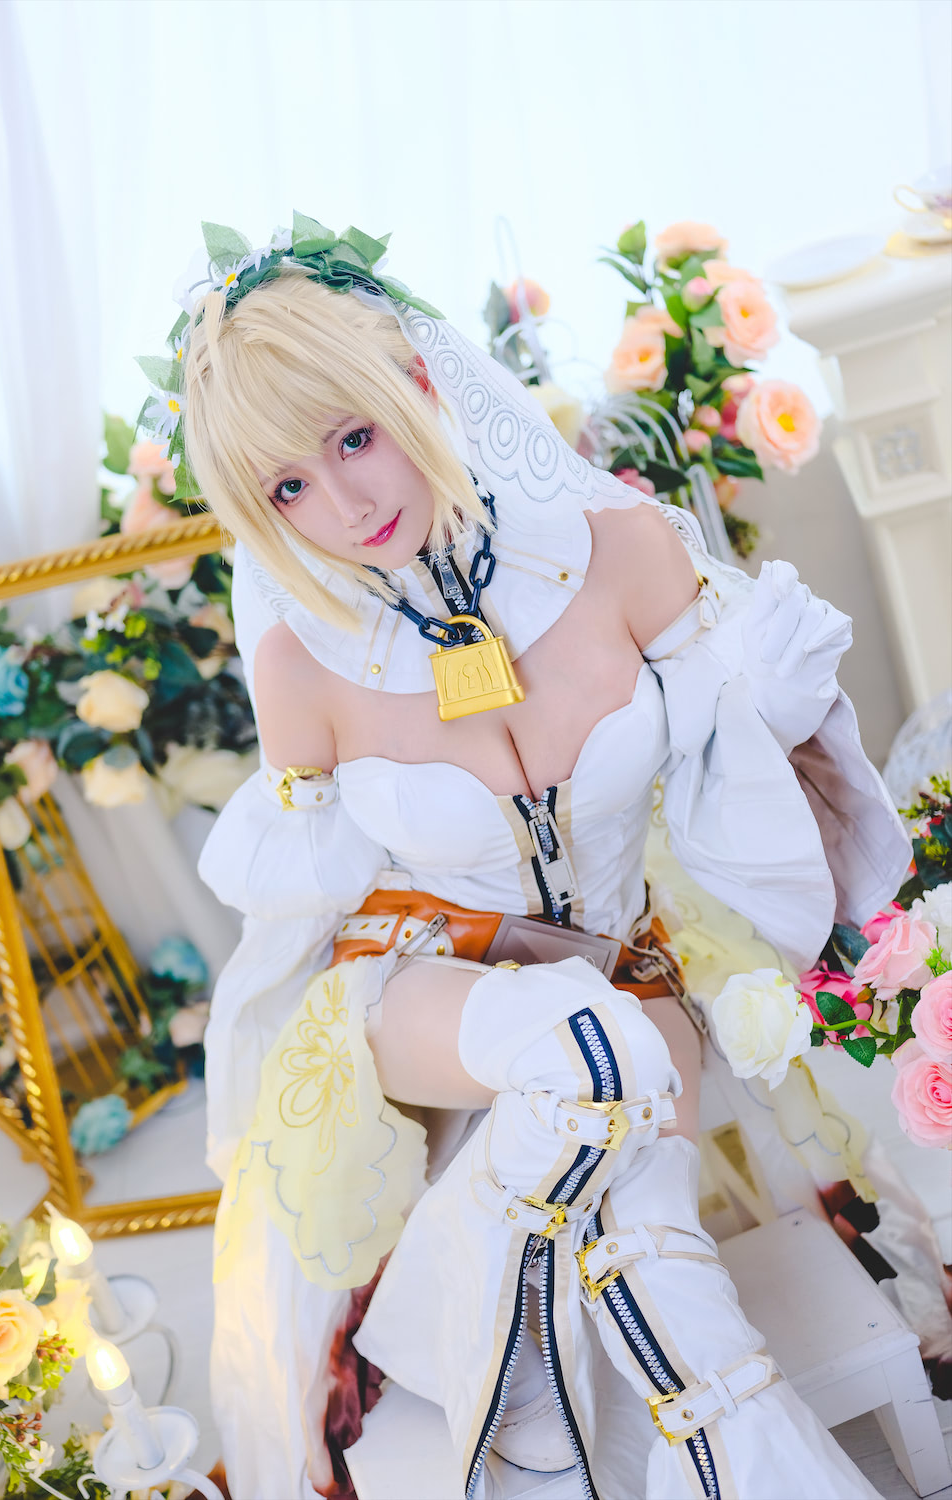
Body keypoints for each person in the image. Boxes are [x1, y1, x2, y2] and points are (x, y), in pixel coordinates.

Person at [155, 218, 911, 1499]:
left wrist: (769, 706)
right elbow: (304, 916)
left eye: (353, 438)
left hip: (631, 965)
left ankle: (559, 1431)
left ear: (420, 381)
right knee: (582, 1046)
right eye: (287, 488)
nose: (345, 506)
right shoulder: (299, 665)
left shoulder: (619, 550)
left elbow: (732, 798)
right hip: (420, 983)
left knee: (628, 1153)